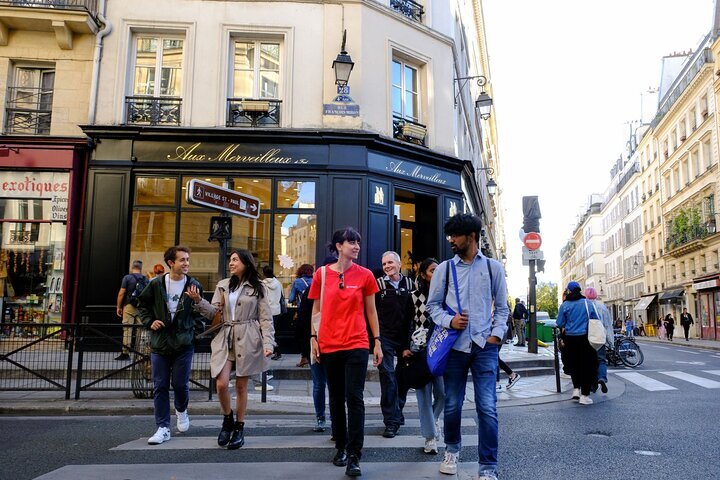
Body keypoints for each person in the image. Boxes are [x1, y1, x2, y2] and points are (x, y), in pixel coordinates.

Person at [426, 213, 508, 480]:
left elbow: (503, 309)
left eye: (455, 236)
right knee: (452, 404)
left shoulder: (493, 268)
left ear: (471, 237)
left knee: (487, 407)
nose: (451, 240)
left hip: (485, 347)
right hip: (455, 348)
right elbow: (432, 307)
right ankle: (452, 451)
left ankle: (488, 467)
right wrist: (450, 321)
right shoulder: (444, 269)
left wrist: (496, 335)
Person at [308, 227, 383, 477]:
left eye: (358, 242)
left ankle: (354, 454)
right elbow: (316, 310)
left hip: (357, 343)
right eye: (351, 242)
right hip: (329, 343)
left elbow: (371, 311)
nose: (357, 246)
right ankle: (340, 446)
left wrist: (377, 341)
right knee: (336, 398)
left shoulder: (366, 276)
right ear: (339, 246)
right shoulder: (321, 275)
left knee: (355, 397)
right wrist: (313, 339)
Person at [192, 249, 275, 449]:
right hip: (226, 336)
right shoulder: (223, 285)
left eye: (236, 260)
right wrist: (198, 301)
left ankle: (239, 426)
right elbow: (214, 313)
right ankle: (227, 419)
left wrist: (268, 343)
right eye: (230, 260)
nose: (231, 263)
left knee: (241, 386)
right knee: (221, 383)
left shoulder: (258, 287)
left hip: (248, 336)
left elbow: (265, 318)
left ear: (246, 263)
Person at [137, 246, 206, 445]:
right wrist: (150, 321)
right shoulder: (156, 284)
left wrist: (193, 331)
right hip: (160, 343)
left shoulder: (194, 285)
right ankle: (163, 427)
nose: (186, 263)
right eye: (182, 260)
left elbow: (200, 314)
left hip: (184, 343)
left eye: (187, 260)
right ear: (171, 263)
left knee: (180, 384)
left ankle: (182, 410)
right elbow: (143, 306)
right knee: (159, 385)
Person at [401, 257, 445, 455]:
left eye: (438, 270)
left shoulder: (447, 296)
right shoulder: (414, 296)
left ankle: (434, 421)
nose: (436, 273)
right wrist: (404, 348)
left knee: (444, 394)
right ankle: (430, 437)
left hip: (441, 349)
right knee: (424, 395)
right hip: (419, 350)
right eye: (432, 270)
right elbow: (406, 322)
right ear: (424, 275)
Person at [375, 250, 414, 439]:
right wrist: (375, 340)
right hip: (385, 338)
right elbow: (372, 313)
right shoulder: (379, 286)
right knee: (387, 377)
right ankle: (391, 421)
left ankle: (398, 411)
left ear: (399, 265)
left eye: (390, 262)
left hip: (405, 339)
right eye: (384, 264)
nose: (387, 266)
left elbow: (415, 315)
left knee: (403, 379)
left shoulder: (411, 285)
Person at [556, 281, 598, 406]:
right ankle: (584, 396)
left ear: (569, 291)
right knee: (586, 366)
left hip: (570, 339)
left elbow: (560, 323)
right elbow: (595, 318)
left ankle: (576, 389)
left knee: (574, 365)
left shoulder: (565, 305)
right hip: (585, 338)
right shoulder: (587, 303)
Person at [115, 260, 148, 361]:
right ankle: (140, 353)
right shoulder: (145, 279)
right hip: (141, 307)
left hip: (129, 305)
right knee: (141, 330)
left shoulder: (127, 278)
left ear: (132, 267)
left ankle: (125, 353)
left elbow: (121, 293)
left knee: (127, 329)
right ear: (141, 268)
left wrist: (119, 307)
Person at [584, 287, 613, 394]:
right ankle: (602, 377)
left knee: (590, 362)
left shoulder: (584, 306)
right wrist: (610, 341)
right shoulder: (602, 307)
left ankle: (593, 385)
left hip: (588, 338)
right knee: (601, 360)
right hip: (600, 338)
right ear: (596, 295)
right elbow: (608, 324)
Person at [262, 266, 284, 361]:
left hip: (266, 311)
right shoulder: (278, 283)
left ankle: (276, 350)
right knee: (273, 331)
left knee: (266, 332)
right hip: (276, 310)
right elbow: (282, 296)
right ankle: (275, 350)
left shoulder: (262, 284)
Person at [496, 311, 520, 392]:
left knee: (494, 357)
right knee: (495, 357)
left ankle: (497, 383)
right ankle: (512, 375)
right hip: (497, 332)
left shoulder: (497, 302)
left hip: (498, 333)